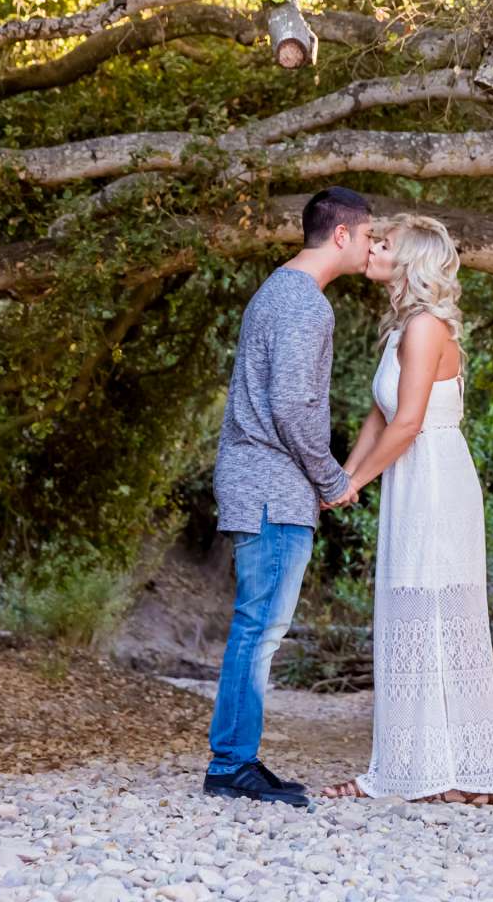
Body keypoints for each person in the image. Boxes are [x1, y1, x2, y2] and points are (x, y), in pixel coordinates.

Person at [318, 215, 493, 805]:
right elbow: (379, 415)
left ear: (410, 262)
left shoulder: (425, 328)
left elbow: (410, 422)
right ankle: (437, 770)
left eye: (384, 243)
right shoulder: (403, 327)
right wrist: (342, 476)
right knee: (417, 619)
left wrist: (356, 485)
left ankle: (458, 773)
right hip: (410, 476)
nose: (372, 247)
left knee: (436, 615)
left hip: (433, 479)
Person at [203, 186, 372, 808]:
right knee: (261, 628)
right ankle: (230, 765)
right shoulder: (307, 305)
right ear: (341, 235)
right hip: (273, 487)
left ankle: (237, 758)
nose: (371, 247)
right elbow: (293, 406)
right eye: (368, 235)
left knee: (257, 626)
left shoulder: (274, 290)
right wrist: (332, 479)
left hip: (256, 480)